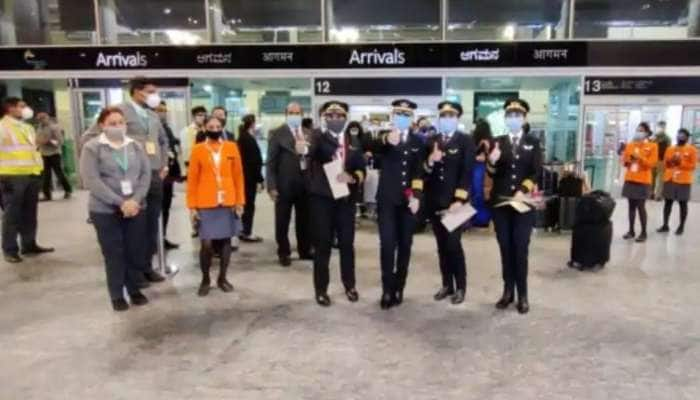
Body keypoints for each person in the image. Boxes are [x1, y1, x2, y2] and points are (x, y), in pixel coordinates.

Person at [83, 77, 169, 283]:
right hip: (129, 177)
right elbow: (89, 136)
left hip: (154, 175)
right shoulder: (118, 112)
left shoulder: (152, 115)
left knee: (150, 225)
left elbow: (163, 141)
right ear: (137, 92)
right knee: (132, 231)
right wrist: (107, 161)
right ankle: (133, 274)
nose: (154, 95)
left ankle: (146, 266)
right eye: (150, 91)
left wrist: (164, 163)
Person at [80, 107, 151, 311]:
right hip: (105, 210)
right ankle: (117, 294)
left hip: (135, 207)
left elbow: (145, 175)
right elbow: (91, 180)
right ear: (102, 125)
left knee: (134, 251)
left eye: (121, 122)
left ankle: (134, 288)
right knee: (114, 252)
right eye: (112, 123)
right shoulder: (93, 148)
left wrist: (135, 200)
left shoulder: (135, 146)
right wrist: (120, 202)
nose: (118, 126)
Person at [305, 101, 366, 307]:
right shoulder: (317, 138)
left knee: (347, 245)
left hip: (346, 201)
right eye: (330, 116)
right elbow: (313, 154)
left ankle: (350, 285)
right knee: (323, 246)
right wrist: (303, 148)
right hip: (322, 200)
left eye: (339, 116)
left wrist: (353, 177)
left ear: (346, 117)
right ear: (324, 119)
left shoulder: (354, 141)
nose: (334, 120)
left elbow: (361, 168)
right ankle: (321, 289)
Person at [486, 98, 542, 314]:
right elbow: (492, 174)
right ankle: (508, 291)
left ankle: (523, 295)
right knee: (505, 249)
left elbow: (536, 171)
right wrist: (492, 161)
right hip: (501, 204)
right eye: (510, 115)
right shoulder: (497, 142)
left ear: (524, 118)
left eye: (518, 115)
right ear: (505, 118)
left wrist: (523, 189)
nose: (514, 118)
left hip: (523, 205)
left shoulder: (532, 142)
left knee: (520, 248)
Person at [372, 99, 425, 309]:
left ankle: (399, 287)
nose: (402, 118)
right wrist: (386, 140)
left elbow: (418, 172)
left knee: (405, 246)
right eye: (398, 114)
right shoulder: (383, 137)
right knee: (387, 245)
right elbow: (371, 147)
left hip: (407, 202)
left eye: (406, 115)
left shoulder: (417, 142)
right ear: (393, 116)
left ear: (411, 119)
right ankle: (386, 290)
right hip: (386, 201)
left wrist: (417, 196)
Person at [187, 116, 245, 296]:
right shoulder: (197, 150)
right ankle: (205, 278)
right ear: (204, 128)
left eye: (218, 126)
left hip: (228, 200)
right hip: (206, 201)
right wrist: (192, 206)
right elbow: (192, 179)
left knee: (226, 241)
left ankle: (222, 277)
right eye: (211, 126)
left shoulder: (231, 147)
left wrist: (240, 201)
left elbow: (238, 176)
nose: (214, 129)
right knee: (206, 243)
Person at [424, 101, 475, 305]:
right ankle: (447, 285)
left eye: (451, 116)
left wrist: (459, 200)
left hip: (456, 203)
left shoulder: (465, 141)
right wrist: (430, 161)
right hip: (435, 202)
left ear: (457, 118)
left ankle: (461, 287)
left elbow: (467, 172)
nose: (447, 119)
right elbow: (424, 172)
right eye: (443, 116)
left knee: (454, 245)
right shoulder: (432, 141)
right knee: (441, 246)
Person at [0, 97, 54, 263]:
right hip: (11, 175)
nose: (26, 109)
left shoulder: (27, 127)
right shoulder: (2, 127)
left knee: (30, 213)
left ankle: (29, 244)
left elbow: (33, 149)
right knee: (12, 215)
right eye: (22, 106)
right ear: (10, 108)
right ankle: (10, 250)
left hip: (31, 174)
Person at [267, 102, 314, 266]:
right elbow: (271, 163)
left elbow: (314, 159)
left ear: (302, 114)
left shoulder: (309, 133)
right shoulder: (276, 134)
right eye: (291, 112)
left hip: (305, 185)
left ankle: (305, 250)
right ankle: (284, 252)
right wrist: (271, 186)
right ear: (286, 114)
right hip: (284, 185)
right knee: (282, 221)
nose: (295, 115)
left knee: (305, 221)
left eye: (297, 112)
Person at [621, 122, 658, 243]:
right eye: (637, 130)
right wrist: (628, 160)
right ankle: (631, 231)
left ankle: (643, 232)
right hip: (630, 178)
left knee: (641, 207)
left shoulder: (652, 146)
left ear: (647, 133)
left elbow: (652, 164)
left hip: (643, 180)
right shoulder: (630, 145)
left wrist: (640, 158)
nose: (639, 132)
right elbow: (625, 161)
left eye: (641, 130)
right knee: (631, 206)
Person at [657, 128, 697, 235]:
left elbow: (693, 166)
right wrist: (670, 162)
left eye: (683, 135)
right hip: (670, 179)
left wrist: (680, 162)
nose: (680, 137)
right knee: (667, 203)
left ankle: (681, 226)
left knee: (682, 203)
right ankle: (665, 225)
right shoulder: (670, 149)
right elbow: (665, 164)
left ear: (687, 138)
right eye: (679, 135)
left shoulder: (692, 150)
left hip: (683, 180)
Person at [155, 101, 182, 250]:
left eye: (164, 110)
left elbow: (171, 148)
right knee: (156, 209)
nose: (162, 113)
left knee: (165, 207)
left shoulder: (167, 128)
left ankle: (162, 237)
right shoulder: (150, 129)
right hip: (157, 174)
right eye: (159, 110)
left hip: (169, 174)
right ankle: (154, 240)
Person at [236, 114, 264, 243]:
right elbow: (254, 160)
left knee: (246, 204)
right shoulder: (247, 138)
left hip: (246, 176)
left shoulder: (243, 137)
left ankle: (243, 230)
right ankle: (246, 231)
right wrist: (259, 178)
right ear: (252, 123)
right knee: (248, 205)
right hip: (249, 177)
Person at [35, 111, 72, 201]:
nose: (41, 121)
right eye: (39, 119)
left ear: (47, 117)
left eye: (43, 118)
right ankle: (47, 195)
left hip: (54, 153)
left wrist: (49, 141)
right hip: (44, 153)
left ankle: (68, 190)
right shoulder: (39, 128)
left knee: (59, 173)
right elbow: (37, 139)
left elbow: (60, 141)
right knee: (46, 175)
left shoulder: (54, 127)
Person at [471, 119, 494, 227]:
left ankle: (476, 218)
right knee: (485, 194)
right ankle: (484, 219)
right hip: (487, 170)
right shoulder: (490, 140)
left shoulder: (473, 139)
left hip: (476, 169)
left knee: (476, 193)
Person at [651, 121, 671, 201]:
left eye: (663, 126)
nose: (661, 128)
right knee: (652, 178)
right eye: (660, 126)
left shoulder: (667, 138)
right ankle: (651, 193)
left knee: (661, 179)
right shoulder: (654, 137)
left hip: (662, 160)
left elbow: (669, 149)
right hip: (653, 160)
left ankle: (658, 195)